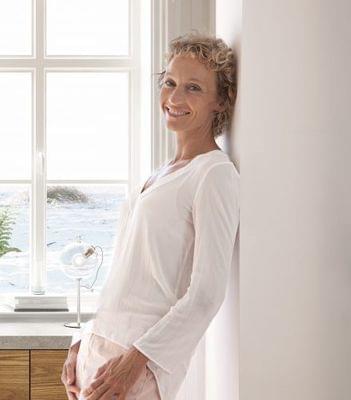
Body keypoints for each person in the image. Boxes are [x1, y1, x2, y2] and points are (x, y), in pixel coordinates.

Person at [60, 33, 239, 400]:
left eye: (193, 88)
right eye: (170, 83)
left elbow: (206, 294)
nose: (174, 98)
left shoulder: (214, 174)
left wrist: (133, 364)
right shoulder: (160, 173)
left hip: (134, 366)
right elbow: (124, 276)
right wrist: (82, 339)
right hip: (98, 355)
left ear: (219, 101)